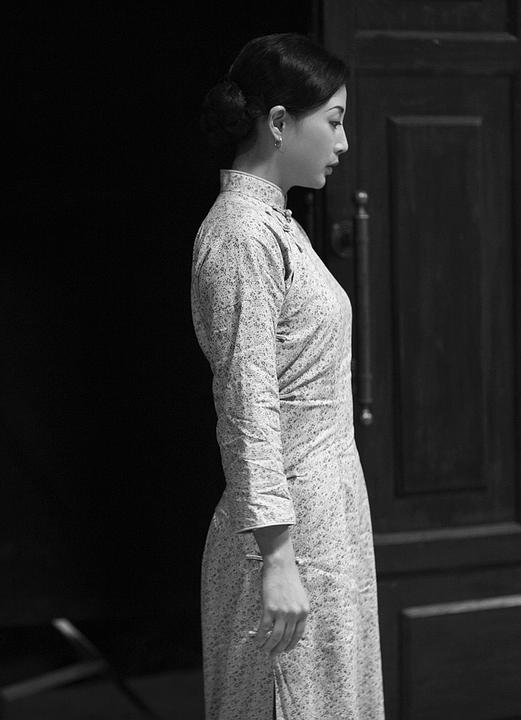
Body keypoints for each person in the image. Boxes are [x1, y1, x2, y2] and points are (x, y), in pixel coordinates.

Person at [190, 33, 384, 719]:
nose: (344, 142)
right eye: (333, 120)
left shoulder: (276, 224)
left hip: (325, 523)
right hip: (287, 539)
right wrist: (276, 557)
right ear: (278, 122)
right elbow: (246, 403)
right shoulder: (241, 235)